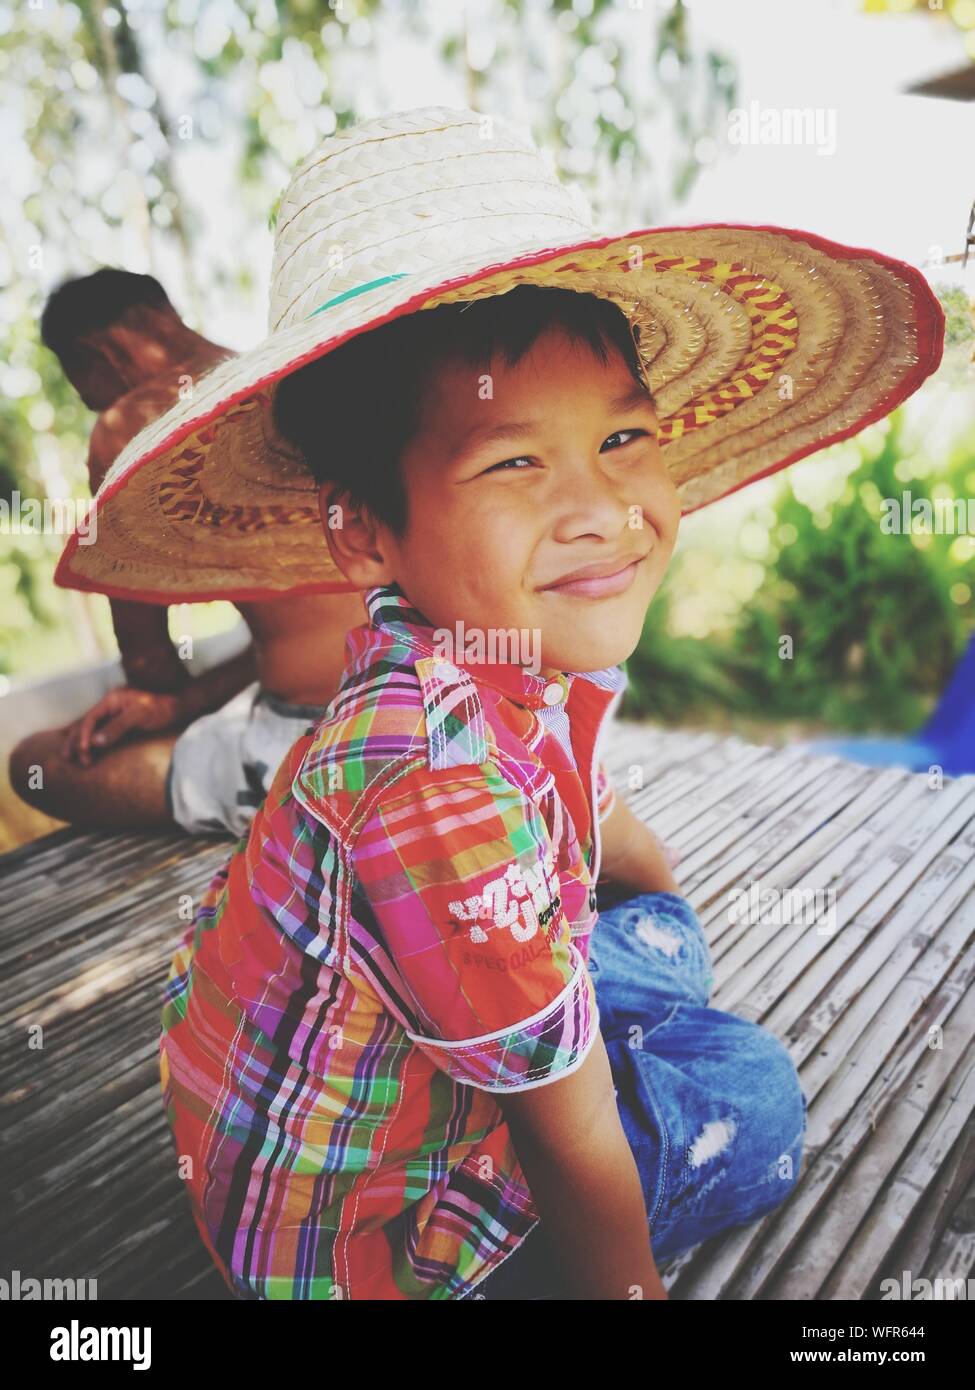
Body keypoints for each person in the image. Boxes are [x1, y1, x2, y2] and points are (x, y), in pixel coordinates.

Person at [62, 107, 943, 1298]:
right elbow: (569, 1141)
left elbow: (601, 810)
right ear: (364, 528)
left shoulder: (486, 655)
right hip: (365, 1233)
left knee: (654, 938)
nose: (599, 506)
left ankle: (571, 1021)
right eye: (515, 461)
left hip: (338, 1077)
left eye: (624, 435)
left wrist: (646, 904)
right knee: (752, 1092)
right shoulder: (434, 783)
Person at [9, 269, 367, 836]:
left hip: (319, 749)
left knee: (33, 761)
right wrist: (180, 709)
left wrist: (164, 704)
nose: (96, 407)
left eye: (87, 392)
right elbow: (332, 633)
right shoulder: (295, 380)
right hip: (417, 693)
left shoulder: (129, 426)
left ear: (95, 355)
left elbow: (149, 667)